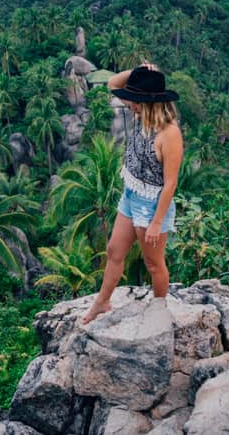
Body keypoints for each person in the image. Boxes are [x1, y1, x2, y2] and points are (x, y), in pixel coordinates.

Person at [81, 63, 183, 324]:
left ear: (150, 103)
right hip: (131, 194)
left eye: (136, 102)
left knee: (153, 264)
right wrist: (139, 70)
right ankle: (102, 303)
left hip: (152, 206)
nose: (130, 105)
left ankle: (159, 308)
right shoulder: (140, 116)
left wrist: (156, 222)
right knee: (115, 250)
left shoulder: (169, 134)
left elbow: (170, 184)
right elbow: (114, 83)